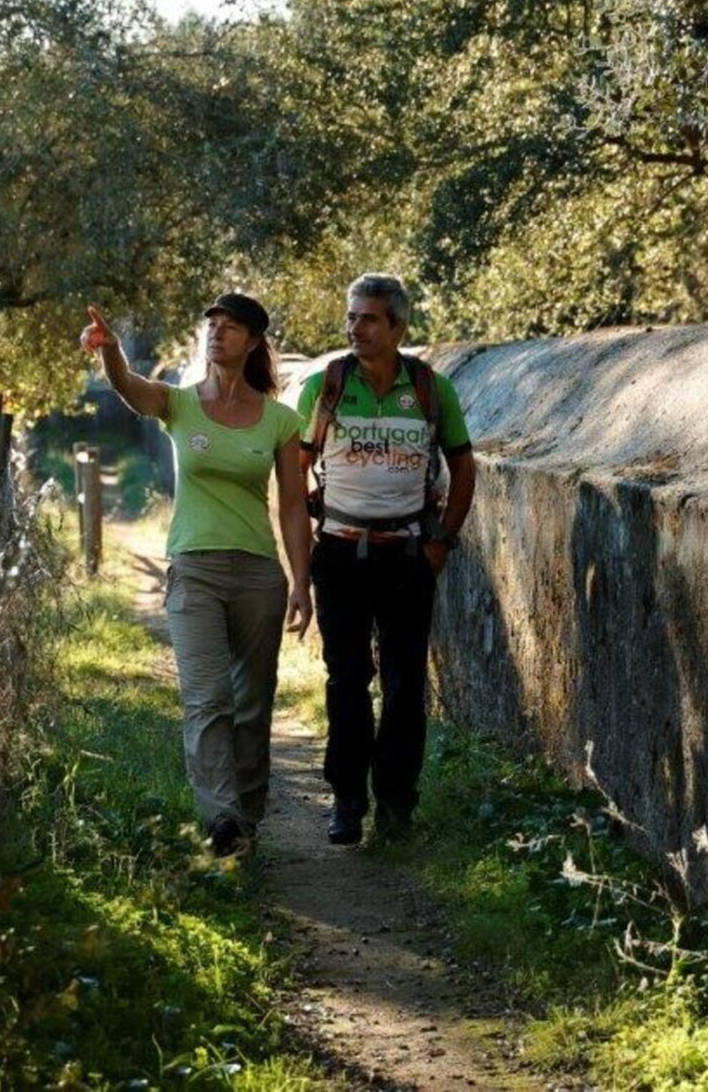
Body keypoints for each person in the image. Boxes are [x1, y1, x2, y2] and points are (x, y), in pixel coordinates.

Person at [81, 294, 312, 856]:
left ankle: (247, 817)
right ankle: (221, 820)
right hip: (194, 571)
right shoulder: (179, 404)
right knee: (208, 699)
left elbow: (292, 506)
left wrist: (301, 582)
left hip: (258, 575)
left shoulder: (281, 420)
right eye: (212, 325)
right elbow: (130, 389)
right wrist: (111, 351)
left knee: (253, 704)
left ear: (252, 341)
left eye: (230, 327)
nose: (217, 334)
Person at [297, 273, 475, 845]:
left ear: (397, 326)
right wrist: (303, 542)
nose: (356, 328)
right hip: (340, 553)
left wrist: (443, 540)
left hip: (407, 554)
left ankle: (397, 805)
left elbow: (463, 466)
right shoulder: (325, 385)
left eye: (368, 319)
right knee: (347, 677)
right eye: (351, 317)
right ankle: (348, 800)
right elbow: (295, 467)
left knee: (405, 683)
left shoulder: (430, 389)